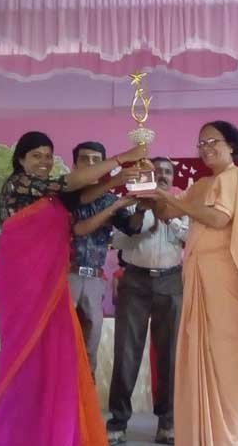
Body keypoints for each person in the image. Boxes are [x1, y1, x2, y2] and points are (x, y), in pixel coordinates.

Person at [135, 121, 238, 446]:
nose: (206, 148)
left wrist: (171, 199)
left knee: (230, 365)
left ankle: (235, 438)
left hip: (229, 284)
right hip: (200, 284)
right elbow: (167, 212)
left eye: (213, 141)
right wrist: (148, 185)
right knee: (204, 359)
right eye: (201, 143)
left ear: (232, 145)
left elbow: (217, 218)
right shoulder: (201, 185)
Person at [0, 131, 144, 446]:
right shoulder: (19, 184)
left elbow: (80, 199)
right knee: (26, 352)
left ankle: (52, 428)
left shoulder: (47, 194)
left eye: (48, 156)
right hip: (23, 282)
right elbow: (69, 185)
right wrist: (121, 159)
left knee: (58, 354)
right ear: (20, 160)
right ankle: (21, 432)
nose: (44, 161)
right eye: (36, 155)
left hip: (52, 284)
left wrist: (118, 181)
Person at [106, 157, 188, 445]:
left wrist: (170, 218)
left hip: (171, 280)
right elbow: (117, 242)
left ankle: (167, 423)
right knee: (126, 352)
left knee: (170, 355)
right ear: (148, 175)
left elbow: (191, 237)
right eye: (157, 171)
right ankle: (118, 422)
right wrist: (141, 217)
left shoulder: (183, 204)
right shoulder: (132, 203)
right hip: (135, 281)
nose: (162, 176)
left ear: (172, 177)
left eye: (167, 172)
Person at [68, 141, 139, 377]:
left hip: (95, 280)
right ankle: (59, 397)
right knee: (62, 341)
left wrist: (143, 206)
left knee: (91, 345)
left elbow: (131, 227)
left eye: (96, 160)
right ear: (74, 165)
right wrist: (114, 188)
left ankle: (87, 398)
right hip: (65, 277)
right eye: (84, 159)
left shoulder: (109, 199)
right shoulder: (65, 193)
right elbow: (80, 216)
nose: (90, 164)